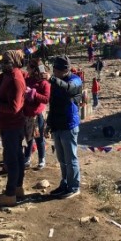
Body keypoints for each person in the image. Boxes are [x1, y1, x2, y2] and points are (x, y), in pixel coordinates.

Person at [0, 49, 27, 207]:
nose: (3, 64)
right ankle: (17, 189)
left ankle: (10, 194)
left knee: (12, 160)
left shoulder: (16, 79)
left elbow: (14, 107)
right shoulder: (7, 76)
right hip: (8, 124)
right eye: (2, 61)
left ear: (15, 61)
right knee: (17, 156)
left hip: (12, 125)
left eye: (7, 61)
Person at [47, 55, 83, 199]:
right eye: (53, 69)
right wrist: (49, 123)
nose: (54, 71)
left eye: (56, 70)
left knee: (71, 158)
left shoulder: (75, 80)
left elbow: (69, 89)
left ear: (65, 70)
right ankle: (65, 184)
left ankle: (74, 187)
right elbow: (53, 104)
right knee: (62, 159)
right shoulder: (55, 82)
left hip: (69, 124)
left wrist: (52, 79)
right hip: (57, 124)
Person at [23, 62, 50, 169]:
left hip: (37, 115)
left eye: (28, 68)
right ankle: (27, 158)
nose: (27, 70)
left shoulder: (44, 83)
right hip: (27, 114)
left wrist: (34, 94)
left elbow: (46, 99)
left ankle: (41, 159)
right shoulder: (27, 80)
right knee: (28, 137)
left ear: (34, 69)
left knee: (39, 138)